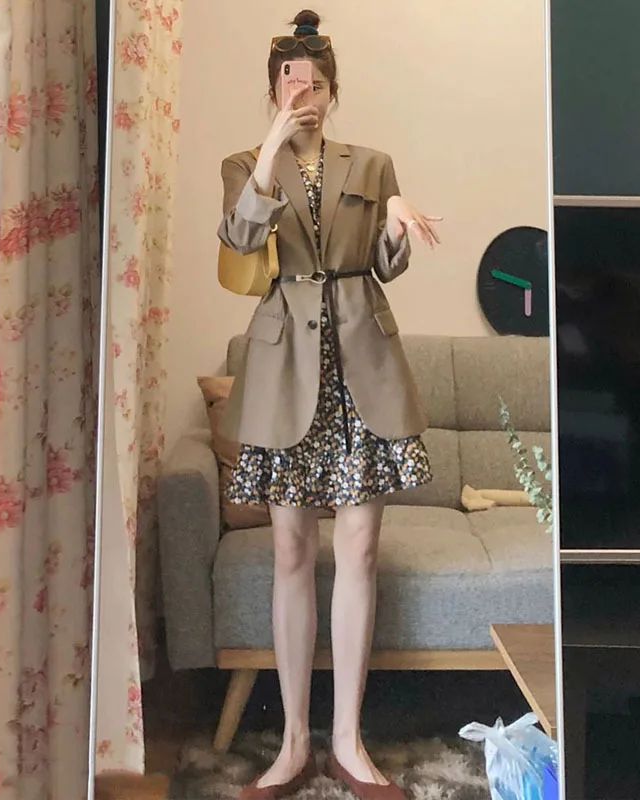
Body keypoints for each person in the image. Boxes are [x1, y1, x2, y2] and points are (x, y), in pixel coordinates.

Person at [217, 10, 442, 800]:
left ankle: (347, 739)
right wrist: (271, 149)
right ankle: (291, 743)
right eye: (288, 83)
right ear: (272, 90)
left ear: (333, 91)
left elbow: (383, 261)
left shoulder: (372, 164)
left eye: (313, 85)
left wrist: (398, 229)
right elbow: (241, 242)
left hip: (361, 363)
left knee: (360, 551)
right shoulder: (244, 164)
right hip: (285, 367)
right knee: (289, 551)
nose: (301, 95)